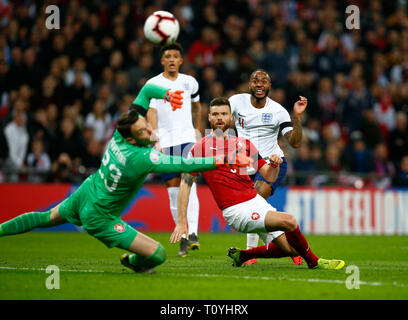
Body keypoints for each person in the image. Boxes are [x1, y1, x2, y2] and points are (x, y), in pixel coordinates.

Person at [0, 84, 251, 274]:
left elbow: (145, 90)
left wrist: (164, 94)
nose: (149, 129)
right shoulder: (141, 158)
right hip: (100, 217)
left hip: (88, 190)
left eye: (145, 123)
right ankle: (130, 261)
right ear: (133, 139)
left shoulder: (122, 134)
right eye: (143, 130)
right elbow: (186, 163)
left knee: (44, 218)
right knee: (157, 255)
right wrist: (224, 158)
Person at [170, 98, 344, 270]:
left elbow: (269, 174)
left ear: (231, 117)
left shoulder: (243, 144)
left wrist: (274, 164)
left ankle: (243, 255)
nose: (220, 118)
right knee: (290, 221)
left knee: (292, 249)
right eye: (215, 114)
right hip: (235, 210)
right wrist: (181, 221)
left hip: (255, 201)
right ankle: (315, 262)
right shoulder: (199, 148)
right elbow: (185, 184)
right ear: (209, 117)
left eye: (224, 113)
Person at [228, 69, 307, 265]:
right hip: (245, 164)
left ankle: (247, 254)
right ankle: (291, 250)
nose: (259, 84)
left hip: (272, 163)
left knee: (255, 198)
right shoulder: (236, 101)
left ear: (269, 86)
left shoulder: (278, 111)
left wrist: (297, 116)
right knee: (255, 210)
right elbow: (220, 121)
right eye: (255, 80)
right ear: (249, 85)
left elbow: (294, 142)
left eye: (264, 81)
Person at [145, 42, 203, 258]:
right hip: (165, 143)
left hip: (187, 139)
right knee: (173, 192)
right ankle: (183, 237)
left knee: (189, 182)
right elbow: (151, 111)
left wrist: (197, 129)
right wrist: (154, 136)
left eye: (175, 56)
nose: (171, 59)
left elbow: (197, 106)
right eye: (167, 56)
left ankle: (194, 232)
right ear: (162, 61)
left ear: (181, 60)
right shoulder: (154, 84)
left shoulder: (190, 82)